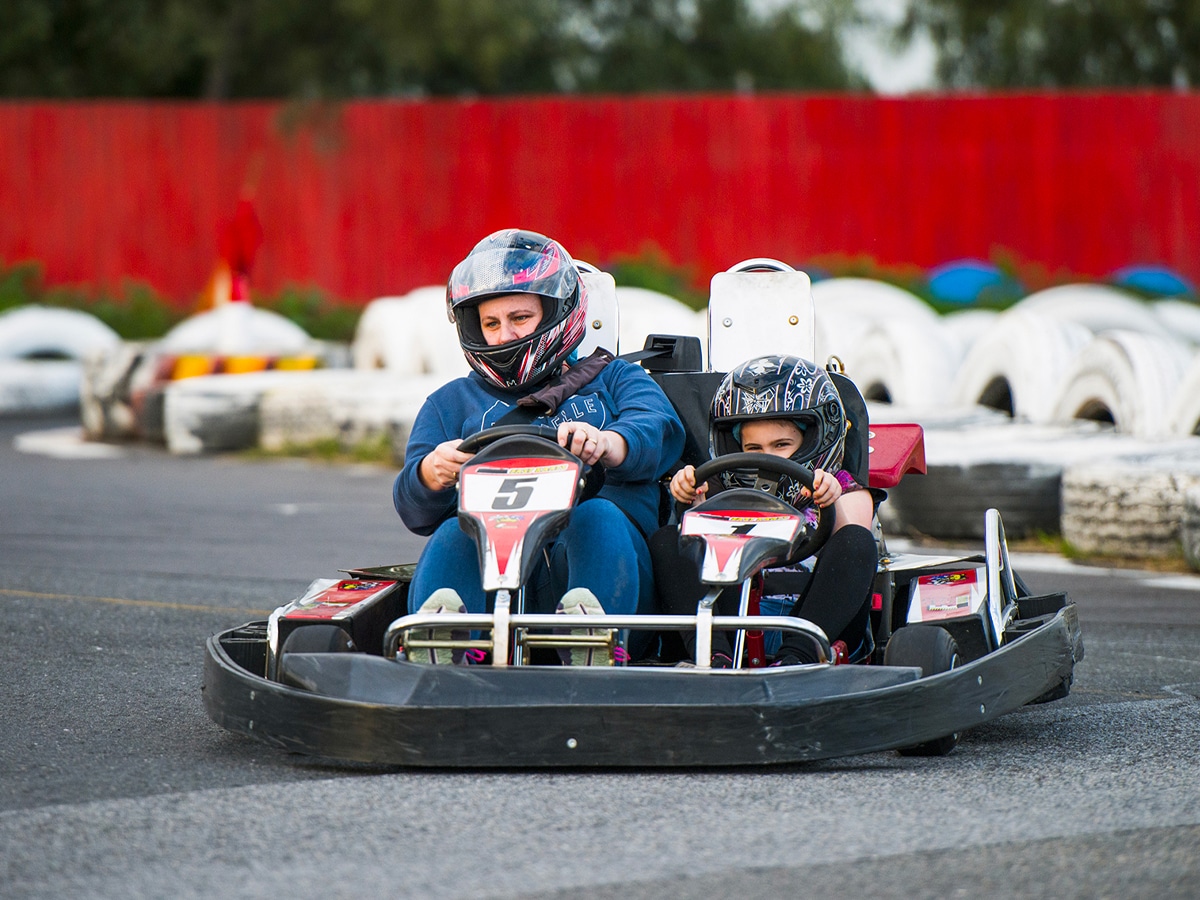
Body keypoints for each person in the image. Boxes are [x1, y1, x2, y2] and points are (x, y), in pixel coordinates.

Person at [393, 228, 685, 664]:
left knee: (597, 514)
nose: (505, 336)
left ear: (556, 313)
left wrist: (608, 443)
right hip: (500, 583)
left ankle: (593, 639)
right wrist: (428, 475)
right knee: (456, 529)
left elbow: (660, 430)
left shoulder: (615, 379)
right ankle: (445, 646)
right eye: (491, 323)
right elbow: (413, 510)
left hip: (611, 575)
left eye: (520, 318)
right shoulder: (451, 404)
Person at [650, 354, 878, 668]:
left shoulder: (842, 486)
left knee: (856, 541)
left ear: (814, 438)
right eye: (754, 449)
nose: (767, 458)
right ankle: (714, 656)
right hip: (735, 623)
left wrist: (828, 499)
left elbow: (854, 536)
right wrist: (694, 499)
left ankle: (796, 659)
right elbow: (700, 555)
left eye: (781, 445)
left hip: (814, 623)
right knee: (667, 540)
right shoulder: (726, 489)